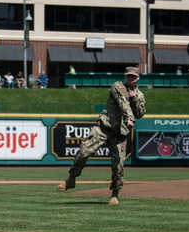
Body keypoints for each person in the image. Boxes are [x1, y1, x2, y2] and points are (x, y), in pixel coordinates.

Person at [57, 66, 147, 206]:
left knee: (118, 166)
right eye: (128, 76)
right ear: (125, 76)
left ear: (138, 78)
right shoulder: (118, 86)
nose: (130, 78)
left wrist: (135, 99)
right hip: (104, 127)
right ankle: (71, 179)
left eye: (133, 76)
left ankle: (115, 195)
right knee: (84, 151)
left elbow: (140, 113)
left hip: (120, 133)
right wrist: (130, 118)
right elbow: (123, 103)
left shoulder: (140, 95)